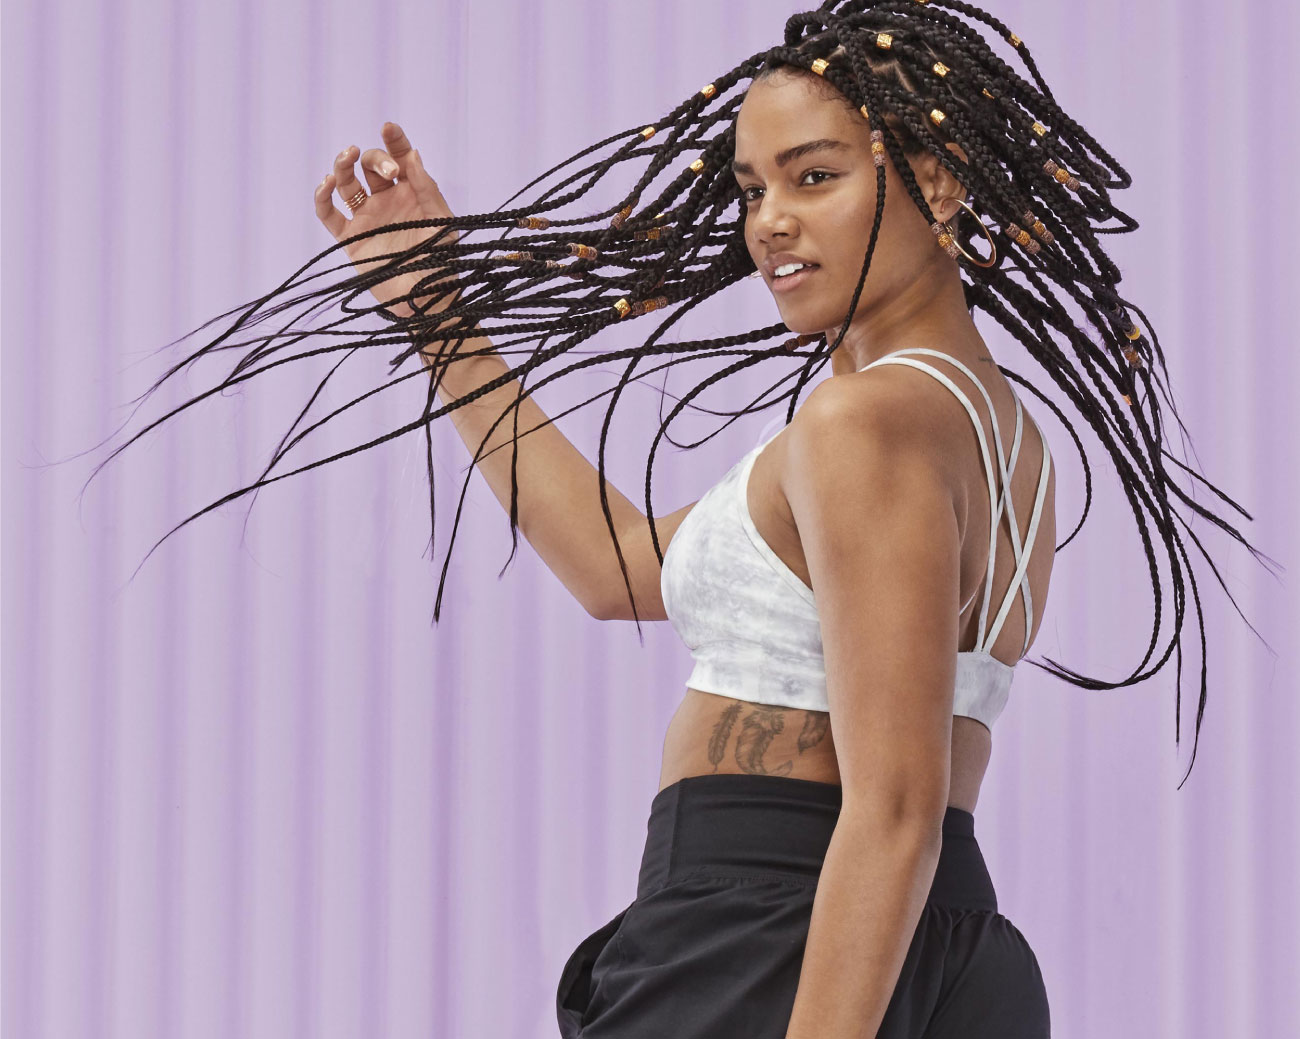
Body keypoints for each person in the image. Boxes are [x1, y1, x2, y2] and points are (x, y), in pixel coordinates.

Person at [110, 2, 1268, 1036]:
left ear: (940, 179)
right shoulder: (996, 434)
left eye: (814, 177)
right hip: (933, 943)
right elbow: (618, 567)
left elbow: (897, 802)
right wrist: (441, 315)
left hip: (777, 936)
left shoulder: (862, 424)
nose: (768, 222)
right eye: (752, 186)